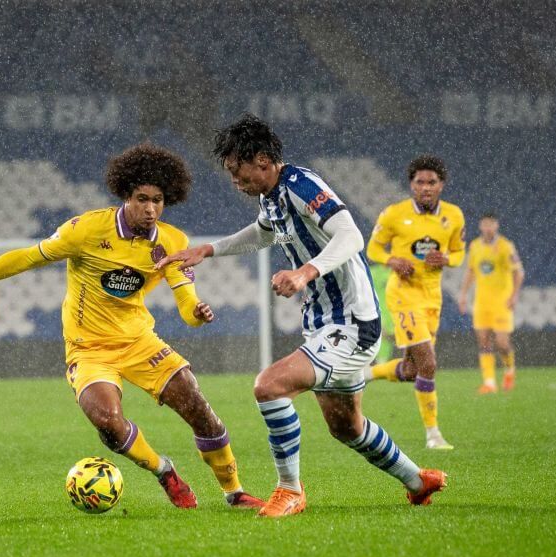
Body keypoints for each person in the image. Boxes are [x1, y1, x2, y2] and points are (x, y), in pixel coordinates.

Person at [0, 143, 263, 510]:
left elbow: (186, 301)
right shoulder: (87, 229)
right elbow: (30, 257)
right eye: (142, 199)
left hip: (139, 341)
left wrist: (197, 314)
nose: (151, 209)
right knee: (108, 422)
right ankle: (164, 471)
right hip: (88, 349)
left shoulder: (173, 241)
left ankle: (234, 492)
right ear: (126, 194)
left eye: (158, 200)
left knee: (200, 410)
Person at [155, 114, 446, 518]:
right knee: (347, 427)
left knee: (269, 386)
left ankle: (290, 490)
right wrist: (208, 250)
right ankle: (418, 481)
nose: (236, 182)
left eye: (239, 173)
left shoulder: (301, 185)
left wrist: (306, 271)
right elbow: (263, 232)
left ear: (261, 160)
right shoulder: (270, 197)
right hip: (324, 321)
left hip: (352, 321)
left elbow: (351, 235)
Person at [366, 155, 466, 450]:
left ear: (441, 185)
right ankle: (433, 435)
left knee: (412, 370)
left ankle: (364, 374)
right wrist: (391, 259)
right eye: (419, 182)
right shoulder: (394, 215)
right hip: (403, 296)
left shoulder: (454, 216)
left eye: (431, 182)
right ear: (411, 185)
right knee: (429, 364)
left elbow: (460, 253)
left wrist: (447, 258)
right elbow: (372, 248)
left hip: (432, 298)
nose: (425, 187)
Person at [458, 212, 524, 393]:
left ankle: (509, 369)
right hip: (482, 302)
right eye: (485, 224)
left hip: (502, 302)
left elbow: (519, 273)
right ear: (480, 226)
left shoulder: (506, 246)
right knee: (484, 342)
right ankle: (489, 382)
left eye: (491, 224)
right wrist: (463, 295)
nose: (488, 227)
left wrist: (514, 296)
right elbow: (471, 271)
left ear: (496, 226)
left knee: (502, 343)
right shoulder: (475, 246)